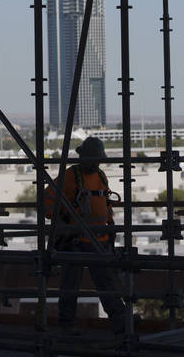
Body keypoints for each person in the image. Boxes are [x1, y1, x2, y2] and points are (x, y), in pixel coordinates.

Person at [43, 136, 131, 336]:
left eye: (98, 159)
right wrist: (64, 219)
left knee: (106, 282)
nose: (96, 163)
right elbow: (46, 201)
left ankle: (119, 319)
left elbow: (104, 202)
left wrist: (109, 225)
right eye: (94, 159)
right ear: (83, 157)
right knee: (70, 284)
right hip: (75, 241)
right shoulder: (70, 176)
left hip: (99, 240)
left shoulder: (100, 175)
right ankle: (67, 325)